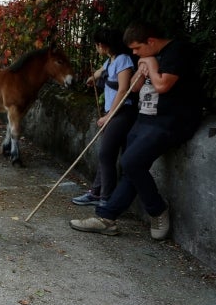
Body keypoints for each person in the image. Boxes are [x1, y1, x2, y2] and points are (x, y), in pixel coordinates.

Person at [70, 22, 202, 240]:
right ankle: (106, 218)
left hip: (170, 121)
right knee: (132, 166)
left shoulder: (177, 52)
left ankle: (157, 209)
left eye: (137, 48)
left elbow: (162, 86)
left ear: (150, 41)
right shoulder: (148, 56)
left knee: (131, 162)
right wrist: (142, 69)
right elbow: (136, 87)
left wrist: (150, 64)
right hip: (146, 117)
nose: (134, 53)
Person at [71, 28, 137, 206]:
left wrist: (108, 116)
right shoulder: (111, 61)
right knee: (105, 155)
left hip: (122, 114)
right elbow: (102, 71)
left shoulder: (124, 60)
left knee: (106, 154)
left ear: (103, 45)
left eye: (97, 45)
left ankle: (106, 199)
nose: (96, 48)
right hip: (113, 114)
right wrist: (93, 77)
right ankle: (96, 192)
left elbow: (123, 90)